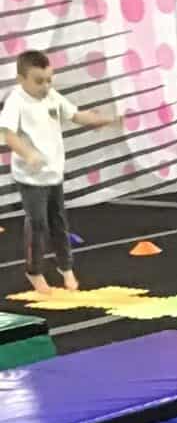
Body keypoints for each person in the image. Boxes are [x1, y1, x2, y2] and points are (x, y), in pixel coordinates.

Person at [0, 48, 123, 291]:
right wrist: (28, 154)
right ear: (21, 79)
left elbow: (75, 115)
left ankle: (65, 267)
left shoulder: (52, 96)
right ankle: (34, 271)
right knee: (38, 223)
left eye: (49, 80)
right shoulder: (16, 101)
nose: (45, 86)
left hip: (53, 173)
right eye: (39, 81)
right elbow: (8, 134)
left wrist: (102, 120)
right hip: (30, 178)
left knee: (59, 222)